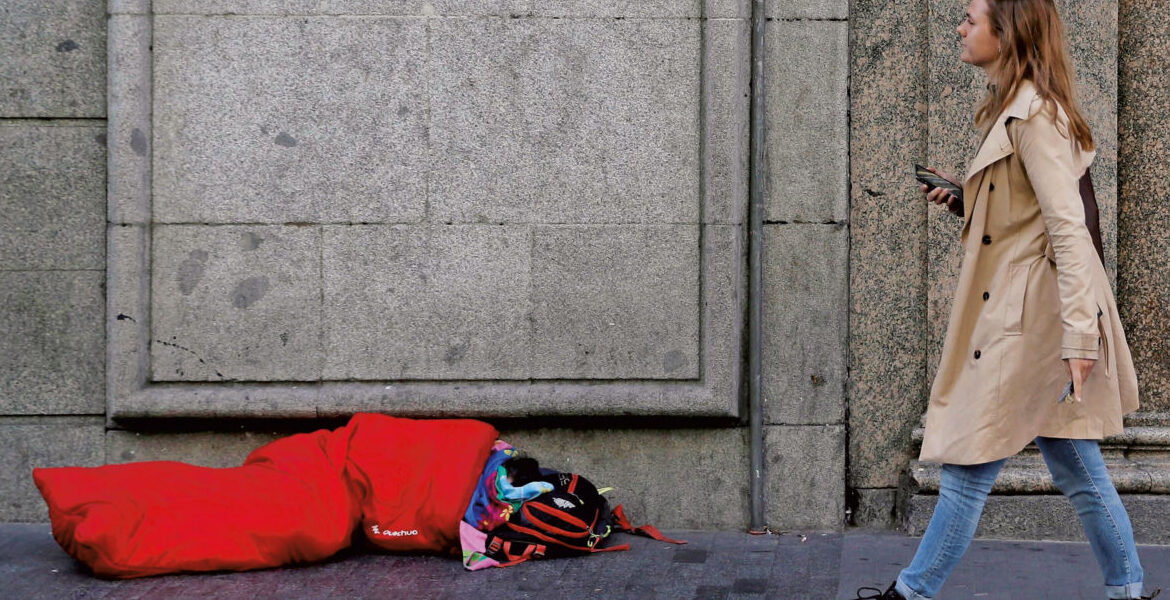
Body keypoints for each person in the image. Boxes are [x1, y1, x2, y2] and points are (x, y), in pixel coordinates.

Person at [857, 1, 1158, 599]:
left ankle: (911, 594)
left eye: (971, 17)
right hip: (1033, 315)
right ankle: (1127, 592)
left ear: (1008, 30)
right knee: (1078, 469)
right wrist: (969, 201)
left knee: (969, 465)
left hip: (1034, 325)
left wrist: (1079, 337)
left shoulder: (1035, 117)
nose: (961, 27)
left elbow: (1070, 231)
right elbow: (1030, 219)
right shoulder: (1020, 109)